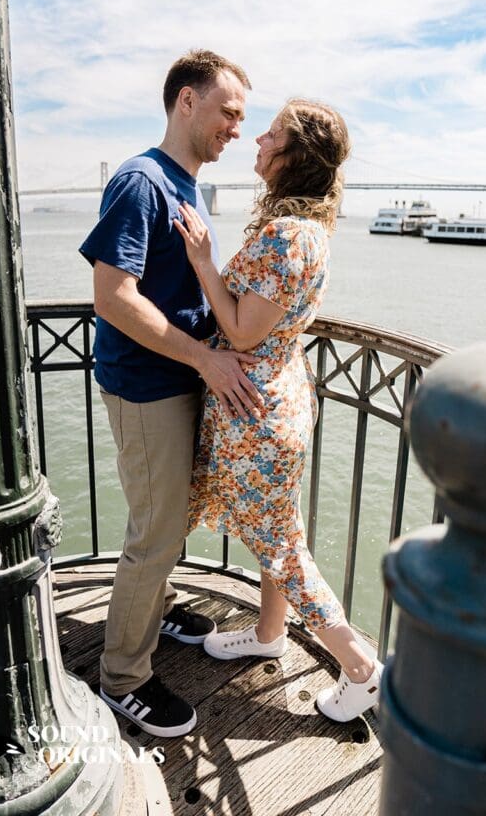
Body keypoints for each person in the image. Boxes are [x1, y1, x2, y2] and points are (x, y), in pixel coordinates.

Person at [174, 98, 382, 722]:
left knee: (283, 547)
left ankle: (362, 668)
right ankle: (269, 633)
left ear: (295, 158)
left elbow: (242, 330)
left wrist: (204, 263)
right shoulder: (309, 230)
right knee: (277, 532)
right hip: (276, 399)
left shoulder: (287, 235)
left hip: (255, 416)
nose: (257, 140)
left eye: (272, 134)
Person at [79, 49, 264, 738]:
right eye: (228, 113)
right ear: (187, 101)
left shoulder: (184, 184)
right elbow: (113, 298)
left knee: (167, 520)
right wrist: (206, 359)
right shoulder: (140, 181)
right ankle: (123, 678)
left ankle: (154, 611)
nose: (236, 129)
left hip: (178, 379)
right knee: (153, 534)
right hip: (147, 387)